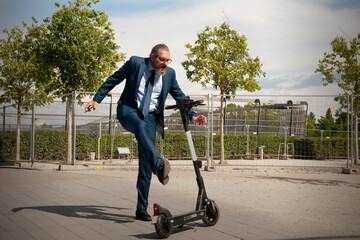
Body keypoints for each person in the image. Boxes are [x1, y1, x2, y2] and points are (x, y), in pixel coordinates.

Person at [85, 44, 207, 221]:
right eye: (162, 60)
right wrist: (96, 100)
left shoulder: (170, 74)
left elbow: (180, 97)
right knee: (141, 131)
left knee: (144, 159)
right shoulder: (135, 63)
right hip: (128, 110)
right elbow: (113, 79)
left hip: (150, 116)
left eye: (168, 60)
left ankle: (141, 208)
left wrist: (193, 117)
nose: (165, 64)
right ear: (152, 57)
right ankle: (158, 165)